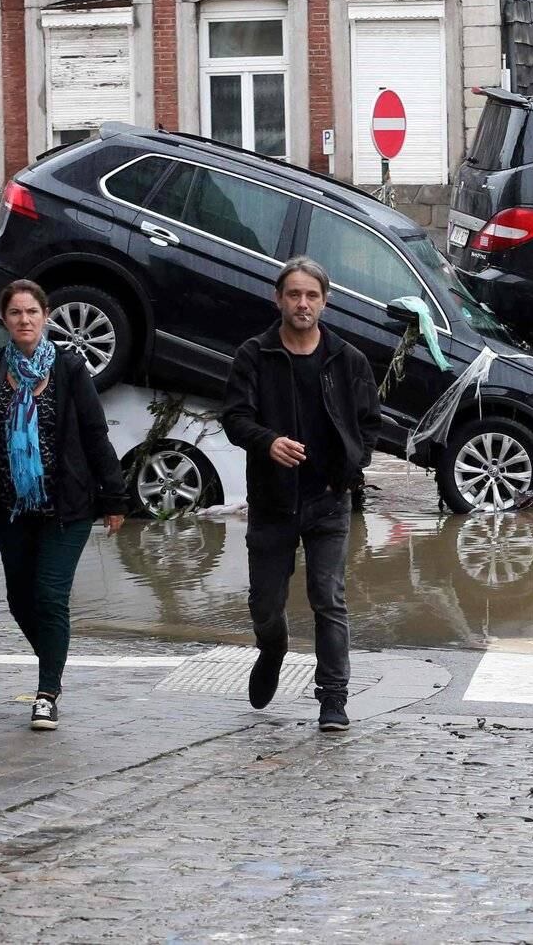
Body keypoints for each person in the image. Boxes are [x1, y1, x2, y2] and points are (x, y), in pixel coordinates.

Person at [0, 280, 126, 731]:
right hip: (11, 507)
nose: (24, 321)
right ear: (5, 320)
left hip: (68, 506)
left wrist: (114, 496)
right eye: (15, 314)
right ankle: (54, 657)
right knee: (20, 600)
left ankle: (47, 692)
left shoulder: (69, 369)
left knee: (49, 594)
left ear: (45, 316)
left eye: (31, 312)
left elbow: (95, 435)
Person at [222, 257, 382, 733]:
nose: (302, 304)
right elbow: (234, 417)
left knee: (328, 598)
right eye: (294, 294)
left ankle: (333, 698)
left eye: (311, 295)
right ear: (279, 299)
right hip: (272, 502)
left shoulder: (346, 359)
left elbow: (370, 425)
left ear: (325, 302)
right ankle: (272, 650)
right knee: (264, 604)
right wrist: (267, 441)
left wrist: (348, 471)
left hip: (328, 500)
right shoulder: (255, 353)